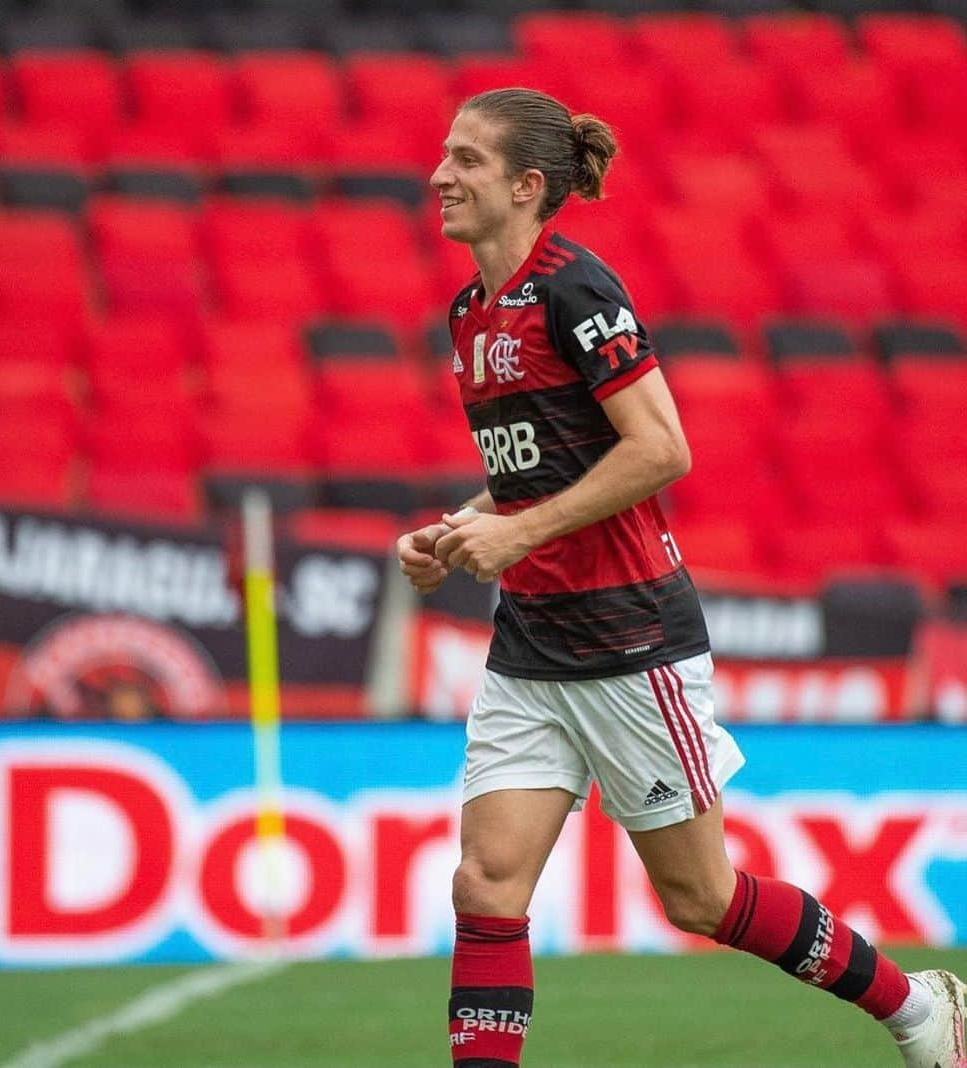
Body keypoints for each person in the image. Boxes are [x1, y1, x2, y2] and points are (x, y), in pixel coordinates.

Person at [396, 87, 965, 1068]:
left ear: (529, 187)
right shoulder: (467, 314)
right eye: (444, 156)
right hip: (530, 646)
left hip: (628, 641)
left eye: (468, 160)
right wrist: (463, 530)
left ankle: (918, 1008)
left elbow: (661, 449)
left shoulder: (577, 291)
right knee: (486, 886)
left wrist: (516, 528)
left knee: (702, 899)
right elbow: (540, 476)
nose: (441, 175)